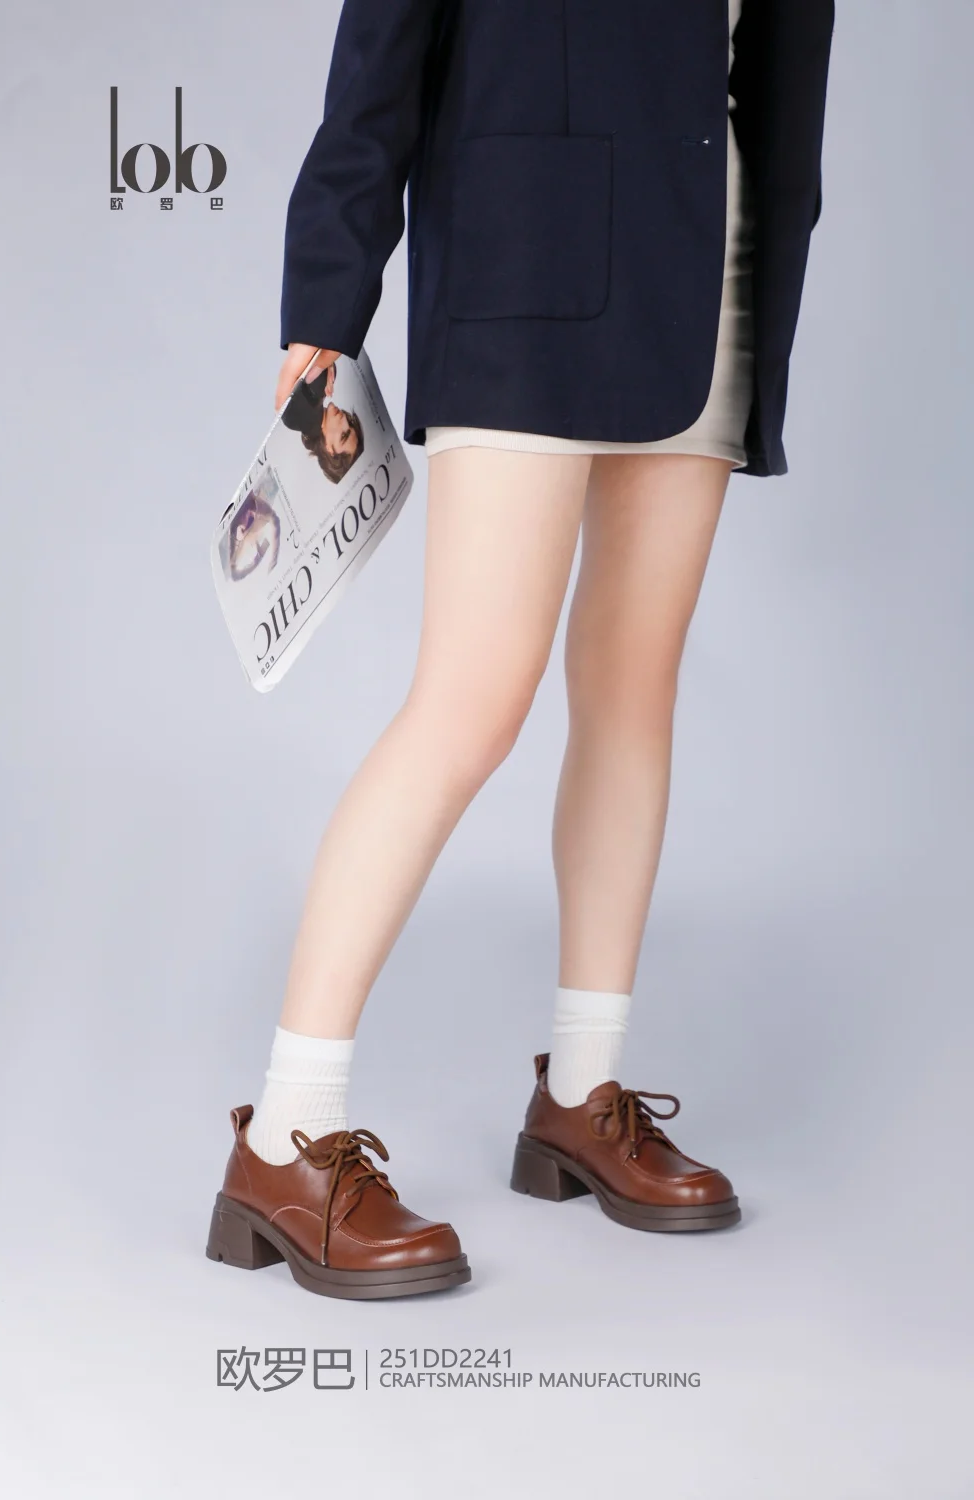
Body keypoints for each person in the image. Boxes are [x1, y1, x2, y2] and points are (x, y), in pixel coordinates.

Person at [207, 0, 836, 1299]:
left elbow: (779, 80)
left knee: (632, 688)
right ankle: (283, 1138)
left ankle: (582, 1096)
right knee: (471, 700)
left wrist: (768, 285)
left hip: (702, 268)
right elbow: (380, 58)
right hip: (518, 251)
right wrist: (326, 299)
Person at [279, 361, 364, 483]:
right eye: (350, 424)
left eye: (343, 435)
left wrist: (327, 362)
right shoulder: (305, 418)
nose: (345, 420)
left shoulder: (303, 414)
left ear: (329, 450)